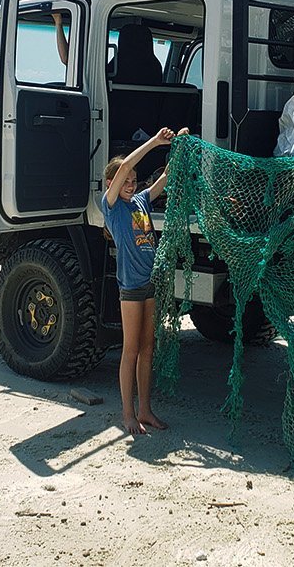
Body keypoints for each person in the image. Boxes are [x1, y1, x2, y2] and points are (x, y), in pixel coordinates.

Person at [102, 125, 188, 435]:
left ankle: (146, 410)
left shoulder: (140, 202)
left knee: (148, 348)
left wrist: (178, 144)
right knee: (131, 349)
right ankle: (127, 414)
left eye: (134, 181)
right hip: (131, 288)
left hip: (151, 284)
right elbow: (125, 165)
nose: (130, 183)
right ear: (112, 184)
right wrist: (154, 142)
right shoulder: (111, 206)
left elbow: (164, 178)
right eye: (125, 181)